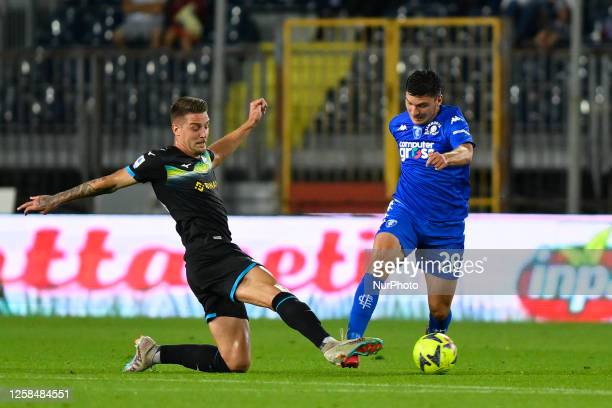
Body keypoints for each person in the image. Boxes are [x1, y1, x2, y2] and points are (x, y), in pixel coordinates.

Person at [17, 96, 383, 373]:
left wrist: (249, 124)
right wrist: (55, 199)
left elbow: (219, 151)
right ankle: (329, 345)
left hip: (204, 264)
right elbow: (108, 182)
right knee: (275, 292)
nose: (203, 133)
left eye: (206, 125)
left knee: (234, 361)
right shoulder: (159, 161)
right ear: (176, 129)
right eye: (195, 127)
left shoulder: (203, 158)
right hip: (213, 255)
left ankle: (153, 353)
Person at [342, 70, 474, 368]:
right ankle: (350, 343)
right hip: (406, 212)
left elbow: (466, 152)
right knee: (379, 264)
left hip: (445, 226)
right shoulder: (398, 125)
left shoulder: (452, 120)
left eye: (423, 105)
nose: (415, 111)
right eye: (410, 103)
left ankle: (435, 337)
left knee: (439, 308)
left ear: (438, 100)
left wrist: (447, 157)